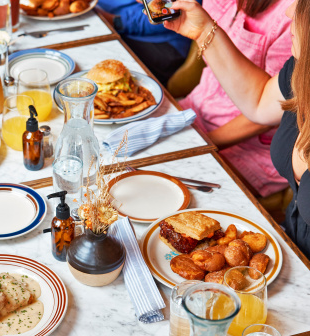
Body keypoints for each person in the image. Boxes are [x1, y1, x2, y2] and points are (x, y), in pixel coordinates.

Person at [165, 0, 310, 257]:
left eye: (302, 6)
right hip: (290, 243)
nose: (290, 11)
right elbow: (258, 100)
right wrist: (203, 30)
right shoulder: (302, 70)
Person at [178, 0, 293, 197]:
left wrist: (200, 144)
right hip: (196, 108)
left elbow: (270, 108)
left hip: (250, 146)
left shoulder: (293, 13)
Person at [98, 0, 195, 85]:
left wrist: (116, 21)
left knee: (108, 68)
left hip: (164, 43)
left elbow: (169, 14)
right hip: (114, 24)